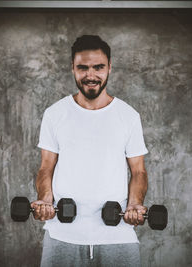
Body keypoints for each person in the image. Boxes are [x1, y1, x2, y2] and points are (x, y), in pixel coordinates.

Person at [32, 35, 149, 267]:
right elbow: (46, 167)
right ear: (72, 69)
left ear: (109, 68)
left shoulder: (128, 116)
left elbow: (138, 171)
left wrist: (135, 204)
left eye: (98, 67)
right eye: (82, 68)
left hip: (117, 237)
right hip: (62, 235)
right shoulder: (54, 114)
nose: (91, 75)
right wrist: (45, 201)